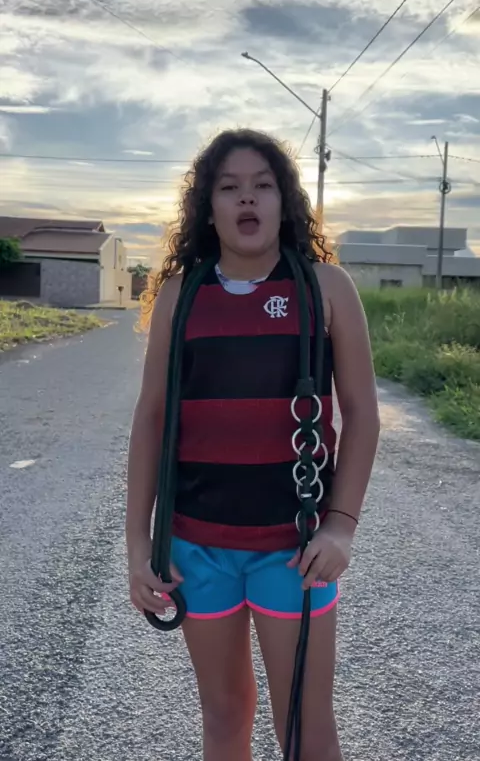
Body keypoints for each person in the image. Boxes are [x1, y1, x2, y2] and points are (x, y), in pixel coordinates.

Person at [126, 129, 380, 761]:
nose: (247, 198)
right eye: (229, 187)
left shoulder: (325, 288)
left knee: (306, 729)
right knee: (224, 716)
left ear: (284, 202)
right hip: (196, 549)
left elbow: (363, 415)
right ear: (207, 208)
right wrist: (139, 545)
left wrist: (341, 527)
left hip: (294, 552)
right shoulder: (182, 295)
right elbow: (152, 418)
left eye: (263, 185)